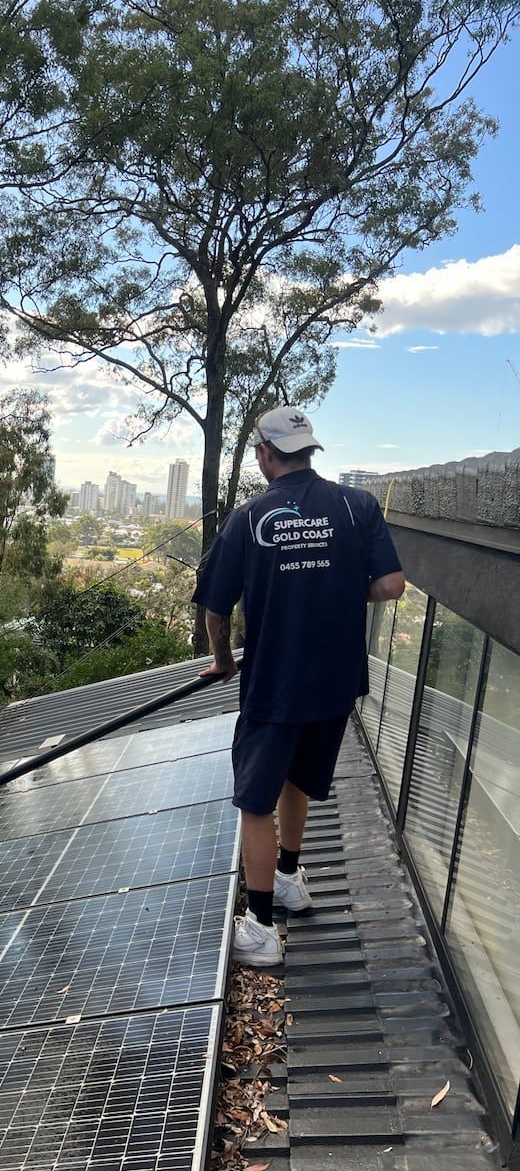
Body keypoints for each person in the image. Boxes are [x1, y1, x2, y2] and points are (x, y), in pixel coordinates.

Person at [193, 406, 405, 966]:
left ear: (264, 452)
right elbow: (391, 584)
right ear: (310, 450)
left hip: (274, 683)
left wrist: (223, 662)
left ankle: (261, 928)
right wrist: (335, 588)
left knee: (254, 800)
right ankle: (288, 878)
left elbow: (216, 610)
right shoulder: (356, 505)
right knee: (297, 783)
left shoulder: (247, 518)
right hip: (336, 685)